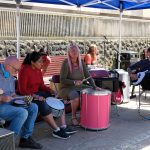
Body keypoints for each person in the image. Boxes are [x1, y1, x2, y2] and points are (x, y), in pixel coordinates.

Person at [17, 51, 77, 140]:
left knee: (58, 99)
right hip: (27, 97)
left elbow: (41, 85)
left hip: (38, 93)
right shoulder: (24, 70)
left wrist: (51, 91)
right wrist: (36, 96)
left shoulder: (37, 69)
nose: (42, 63)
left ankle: (64, 126)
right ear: (32, 62)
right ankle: (56, 130)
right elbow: (22, 90)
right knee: (43, 104)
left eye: (42, 61)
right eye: (40, 61)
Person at [0, 56, 42, 149]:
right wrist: (1, 98)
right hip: (1, 105)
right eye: (16, 70)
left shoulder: (10, 74)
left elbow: (13, 94)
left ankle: (25, 139)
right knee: (22, 112)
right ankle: (7, 144)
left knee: (33, 107)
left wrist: (22, 98)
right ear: (8, 66)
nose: (17, 73)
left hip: (9, 104)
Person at [59, 43, 101, 126]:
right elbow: (62, 80)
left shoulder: (81, 62)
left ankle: (87, 116)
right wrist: (74, 82)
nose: (74, 52)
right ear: (69, 52)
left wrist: (94, 86)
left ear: (78, 51)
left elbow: (88, 76)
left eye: (76, 50)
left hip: (80, 86)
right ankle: (73, 117)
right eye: (72, 50)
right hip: (67, 88)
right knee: (75, 96)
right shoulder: (66, 62)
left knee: (92, 92)